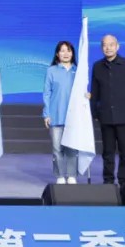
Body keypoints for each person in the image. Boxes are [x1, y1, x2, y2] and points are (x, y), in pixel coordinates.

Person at [89, 34, 125, 186]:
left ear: (117, 46)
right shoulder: (97, 66)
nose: (108, 48)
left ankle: (124, 181)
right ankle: (108, 180)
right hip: (106, 115)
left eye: (111, 44)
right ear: (101, 48)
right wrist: (94, 112)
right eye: (105, 45)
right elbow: (95, 91)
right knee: (108, 151)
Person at [42, 40, 78, 185]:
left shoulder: (78, 71)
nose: (66, 53)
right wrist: (46, 114)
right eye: (62, 51)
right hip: (56, 115)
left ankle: (72, 174)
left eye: (68, 50)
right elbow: (47, 93)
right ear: (57, 54)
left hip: (73, 117)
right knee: (57, 148)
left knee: (72, 148)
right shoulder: (51, 71)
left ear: (72, 53)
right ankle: (60, 175)